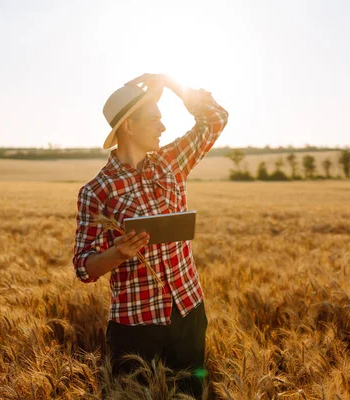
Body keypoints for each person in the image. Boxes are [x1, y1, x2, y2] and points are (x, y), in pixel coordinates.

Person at [72, 73, 228, 397]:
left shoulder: (171, 162)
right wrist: (117, 254)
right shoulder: (96, 191)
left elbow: (216, 118)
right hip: (136, 331)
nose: (163, 127)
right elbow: (84, 267)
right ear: (129, 127)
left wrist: (171, 84)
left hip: (188, 311)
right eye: (154, 119)